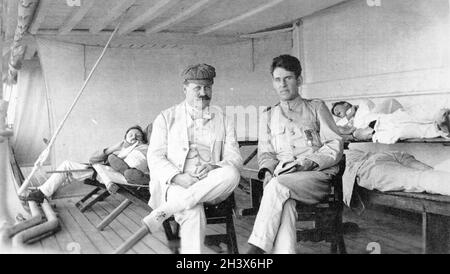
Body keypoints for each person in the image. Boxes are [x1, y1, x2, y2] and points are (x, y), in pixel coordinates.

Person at [246, 55, 343, 254]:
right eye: (277, 79)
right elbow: (266, 153)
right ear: (273, 82)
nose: (283, 84)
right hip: (284, 180)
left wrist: (309, 163)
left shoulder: (316, 108)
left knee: (277, 186)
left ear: (298, 80)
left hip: (315, 178)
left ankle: (254, 250)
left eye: (288, 78)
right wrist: (266, 171)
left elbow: (334, 144)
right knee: (285, 203)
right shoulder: (268, 116)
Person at [142, 63, 242, 254]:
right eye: (197, 88)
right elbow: (154, 158)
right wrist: (178, 177)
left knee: (231, 173)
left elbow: (234, 157)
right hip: (176, 184)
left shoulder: (223, 118)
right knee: (192, 211)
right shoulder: (166, 117)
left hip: (210, 184)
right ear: (185, 89)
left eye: (207, 87)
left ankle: (165, 210)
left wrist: (214, 166)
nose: (203, 93)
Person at [21, 125, 150, 203]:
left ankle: (41, 193)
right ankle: (42, 192)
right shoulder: (120, 149)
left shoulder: (143, 148)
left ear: (142, 138)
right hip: (102, 170)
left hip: (114, 175)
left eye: (138, 135)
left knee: (67, 167)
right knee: (68, 172)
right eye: (131, 134)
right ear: (125, 138)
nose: (134, 137)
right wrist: (113, 148)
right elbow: (93, 159)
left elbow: (137, 167)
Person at [343, 149, 450, 209]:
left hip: (368, 166)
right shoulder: (340, 147)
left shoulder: (329, 151)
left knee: (422, 179)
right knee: (431, 172)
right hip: (385, 154)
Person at [331, 99, 449, 143]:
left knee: (411, 117)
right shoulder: (348, 122)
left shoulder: (362, 105)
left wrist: (352, 114)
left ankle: (439, 116)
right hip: (378, 132)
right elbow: (338, 128)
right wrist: (347, 119)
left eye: (338, 111)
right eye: (337, 115)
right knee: (406, 131)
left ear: (346, 104)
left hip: (382, 121)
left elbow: (369, 107)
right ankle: (440, 129)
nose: (339, 115)